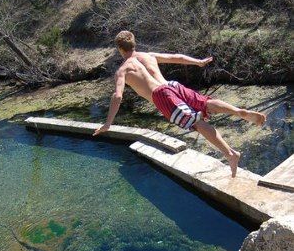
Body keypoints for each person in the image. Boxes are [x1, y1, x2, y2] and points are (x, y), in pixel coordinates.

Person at [93, 30, 266, 177]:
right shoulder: (148, 56)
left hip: (160, 96)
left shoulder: (123, 70)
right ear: (134, 44)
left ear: (119, 49)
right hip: (172, 85)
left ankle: (230, 154)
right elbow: (176, 57)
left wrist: (108, 123)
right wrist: (197, 62)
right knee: (206, 103)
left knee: (196, 123)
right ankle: (238, 111)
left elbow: (117, 96)